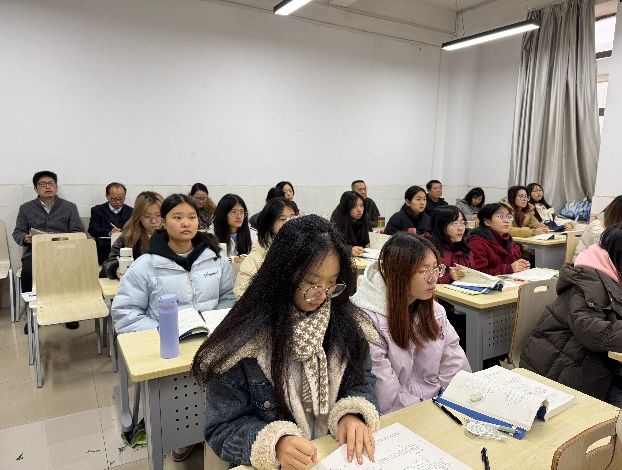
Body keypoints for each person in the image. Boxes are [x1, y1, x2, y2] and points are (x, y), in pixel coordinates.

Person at [192, 215, 380, 469]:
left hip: (333, 454)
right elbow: (221, 427)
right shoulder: (245, 341)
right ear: (283, 274)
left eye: (332, 283)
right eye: (311, 283)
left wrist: (353, 413)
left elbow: (362, 381)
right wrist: (275, 444)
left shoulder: (347, 325)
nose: (322, 295)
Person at [351, 234, 470, 414]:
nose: (433, 278)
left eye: (436, 268)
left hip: (439, 408)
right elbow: (387, 398)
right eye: (423, 271)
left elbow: (455, 367)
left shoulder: (434, 311)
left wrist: (455, 402)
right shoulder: (368, 322)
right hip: (400, 417)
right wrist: (433, 413)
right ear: (399, 274)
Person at [520, 224, 622, 406]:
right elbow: (591, 331)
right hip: (563, 372)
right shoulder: (589, 281)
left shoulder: (612, 275)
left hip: (592, 364)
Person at [111, 193, 235, 334]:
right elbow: (126, 314)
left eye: (192, 217)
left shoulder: (216, 259)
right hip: (165, 340)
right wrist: (165, 330)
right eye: (177, 217)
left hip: (210, 337)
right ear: (163, 222)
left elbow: (228, 298)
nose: (186, 223)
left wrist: (216, 325)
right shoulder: (145, 265)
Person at [13, 170, 84, 332]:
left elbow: (77, 231)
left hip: (63, 252)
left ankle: (70, 313)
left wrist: (64, 239)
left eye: (51, 183)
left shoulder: (69, 207)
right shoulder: (25, 208)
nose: (47, 187)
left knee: (71, 270)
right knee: (28, 272)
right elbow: (18, 232)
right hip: (35, 252)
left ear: (56, 187)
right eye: (42, 184)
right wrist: (25, 238)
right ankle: (33, 315)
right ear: (35, 189)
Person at [234, 198, 297, 298]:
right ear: (270, 224)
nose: (289, 223)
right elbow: (241, 292)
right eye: (282, 219)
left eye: (292, 218)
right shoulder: (258, 255)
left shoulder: (302, 248)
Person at [100, 191, 163, 279]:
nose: (154, 221)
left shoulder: (171, 235)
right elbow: (108, 264)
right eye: (147, 216)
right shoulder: (128, 236)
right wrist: (117, 269)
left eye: (158, 215)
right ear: (138, 216)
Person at [468, 203, 530, 275]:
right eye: (501, 216)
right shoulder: (477, 243)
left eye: (508, 217)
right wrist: (509, 269)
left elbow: (513, 265)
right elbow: (478, 274)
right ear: (487, 222)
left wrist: (521, 265)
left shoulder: (508, 240)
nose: (507, 220)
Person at [88, 182, 133, 264]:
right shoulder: (97, 210)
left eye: (121, 198)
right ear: (107, 196)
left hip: (125, 248)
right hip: (105, 248)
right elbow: (92, 229)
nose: (118, 202)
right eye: (114, 199)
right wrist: (110, 232)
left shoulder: (131, 211)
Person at [428, 206, 473, 284]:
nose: (461, 228)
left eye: (462, 223)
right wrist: (450, 277)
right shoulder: (427, 248)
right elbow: (425, 279)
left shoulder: (464, 248)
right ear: (440, 226)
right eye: (454, 224)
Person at [574, 196, 622, 260]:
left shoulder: (609, 225)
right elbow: (608, 245)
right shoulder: (596, 227)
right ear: (617, 215)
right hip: (583, 264)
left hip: (600, 263)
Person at [212, 193, 256, 263]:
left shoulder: (253, 234)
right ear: (223, 214)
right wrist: (231, 260)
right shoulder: (211, 234)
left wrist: (247, 258)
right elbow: (211, 261)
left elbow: (259, 256)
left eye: (242, 212)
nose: (239, 216)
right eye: (234, 212)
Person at [331, 191, 371, 257]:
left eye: (361, 205)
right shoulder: (337, 219)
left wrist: (369, 244)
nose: (359, 210)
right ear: (346, 207)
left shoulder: (365, 217)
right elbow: (333, 245)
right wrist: (349, 250)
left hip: (363, 256)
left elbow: (367, 239)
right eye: (355, 206)